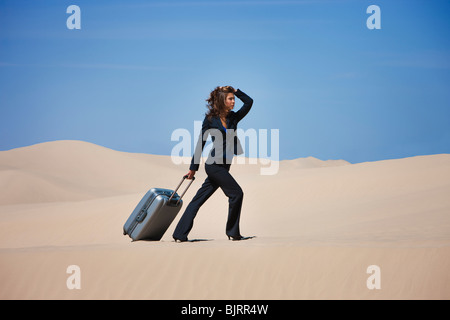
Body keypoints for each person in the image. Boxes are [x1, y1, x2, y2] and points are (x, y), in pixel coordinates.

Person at [172, 86, 254, 242]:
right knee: (236, 193)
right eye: (230, 99)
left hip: (224, 166)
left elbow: (249, 102)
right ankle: (233, 232)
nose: (233, 101)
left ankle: (179, 234)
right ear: (223, 101)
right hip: (213, 165)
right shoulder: (210, 120)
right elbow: (200, 143)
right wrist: (193, 168)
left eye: (233, 99)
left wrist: (236, 91)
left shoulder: (234, 118)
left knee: (198, 200)